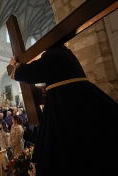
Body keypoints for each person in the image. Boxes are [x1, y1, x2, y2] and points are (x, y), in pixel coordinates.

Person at [9, 45, 118, 175]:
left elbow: (32, 73)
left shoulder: (51, 55)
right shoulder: (68, 54)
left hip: (63, 101)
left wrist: (16, 64)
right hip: (84, 95)